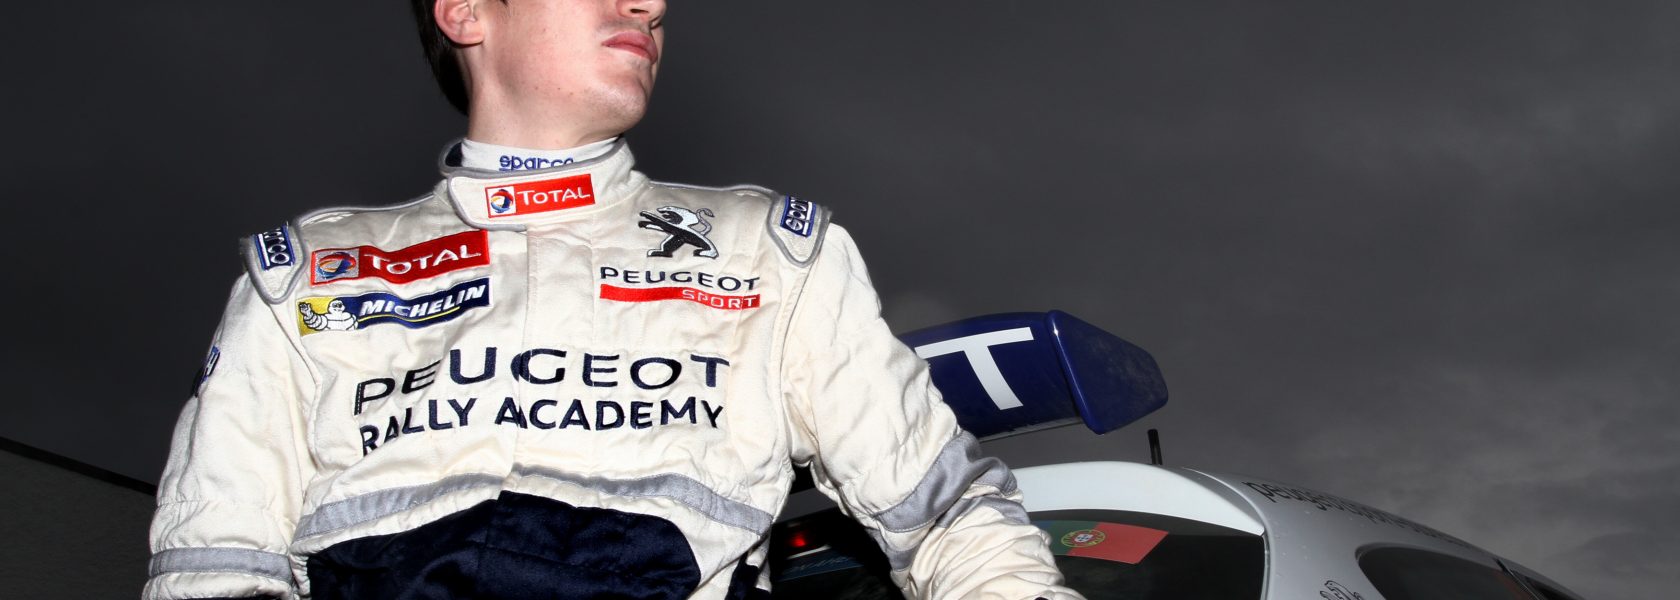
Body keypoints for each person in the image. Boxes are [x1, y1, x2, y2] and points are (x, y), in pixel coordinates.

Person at [145, 1, 1080, 598]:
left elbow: (953, 522)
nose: (651, 4)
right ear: (464, 11)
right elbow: (211, 569)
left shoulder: (772, 254)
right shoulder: (306, 275)